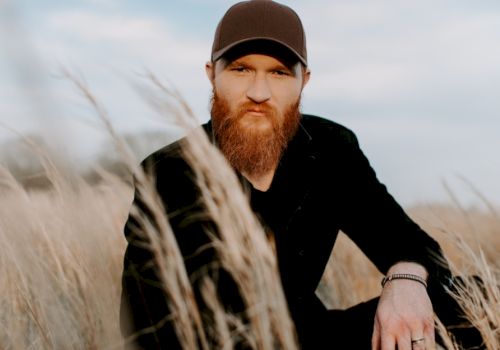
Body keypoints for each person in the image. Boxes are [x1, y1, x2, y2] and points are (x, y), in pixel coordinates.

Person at [120, 1, 484, 349]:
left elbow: (406, 240)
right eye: (240, 69)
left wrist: (405, 280)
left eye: (279, 72)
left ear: (303, 81)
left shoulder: (329, 149)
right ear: (211, 75)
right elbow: (140, 332)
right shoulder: (166, 172)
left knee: (476, 297)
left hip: (315, 340)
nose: (259, 93)